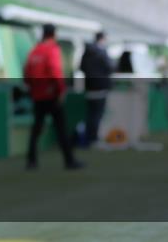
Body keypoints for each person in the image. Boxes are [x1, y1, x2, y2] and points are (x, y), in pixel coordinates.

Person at [24, 23, 83, 170]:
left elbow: (27, 73)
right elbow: (55, 71)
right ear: (54, 34)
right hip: (51, 95)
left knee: (36, 129)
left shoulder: (34, 50)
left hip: (38, 96)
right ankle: (69, 161)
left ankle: (31, 161)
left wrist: (33, 89)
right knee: (61, 129)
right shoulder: (52, 49)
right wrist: (61, 91)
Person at [79, 31, 113, 147]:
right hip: (100, 87)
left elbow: (81, 67)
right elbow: (110, 67)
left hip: (89, 86)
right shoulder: (101, 52)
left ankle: (89, 138)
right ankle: (94, 138)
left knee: (91, 114)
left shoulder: (87, 52)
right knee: (97, 114)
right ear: (102, 39)